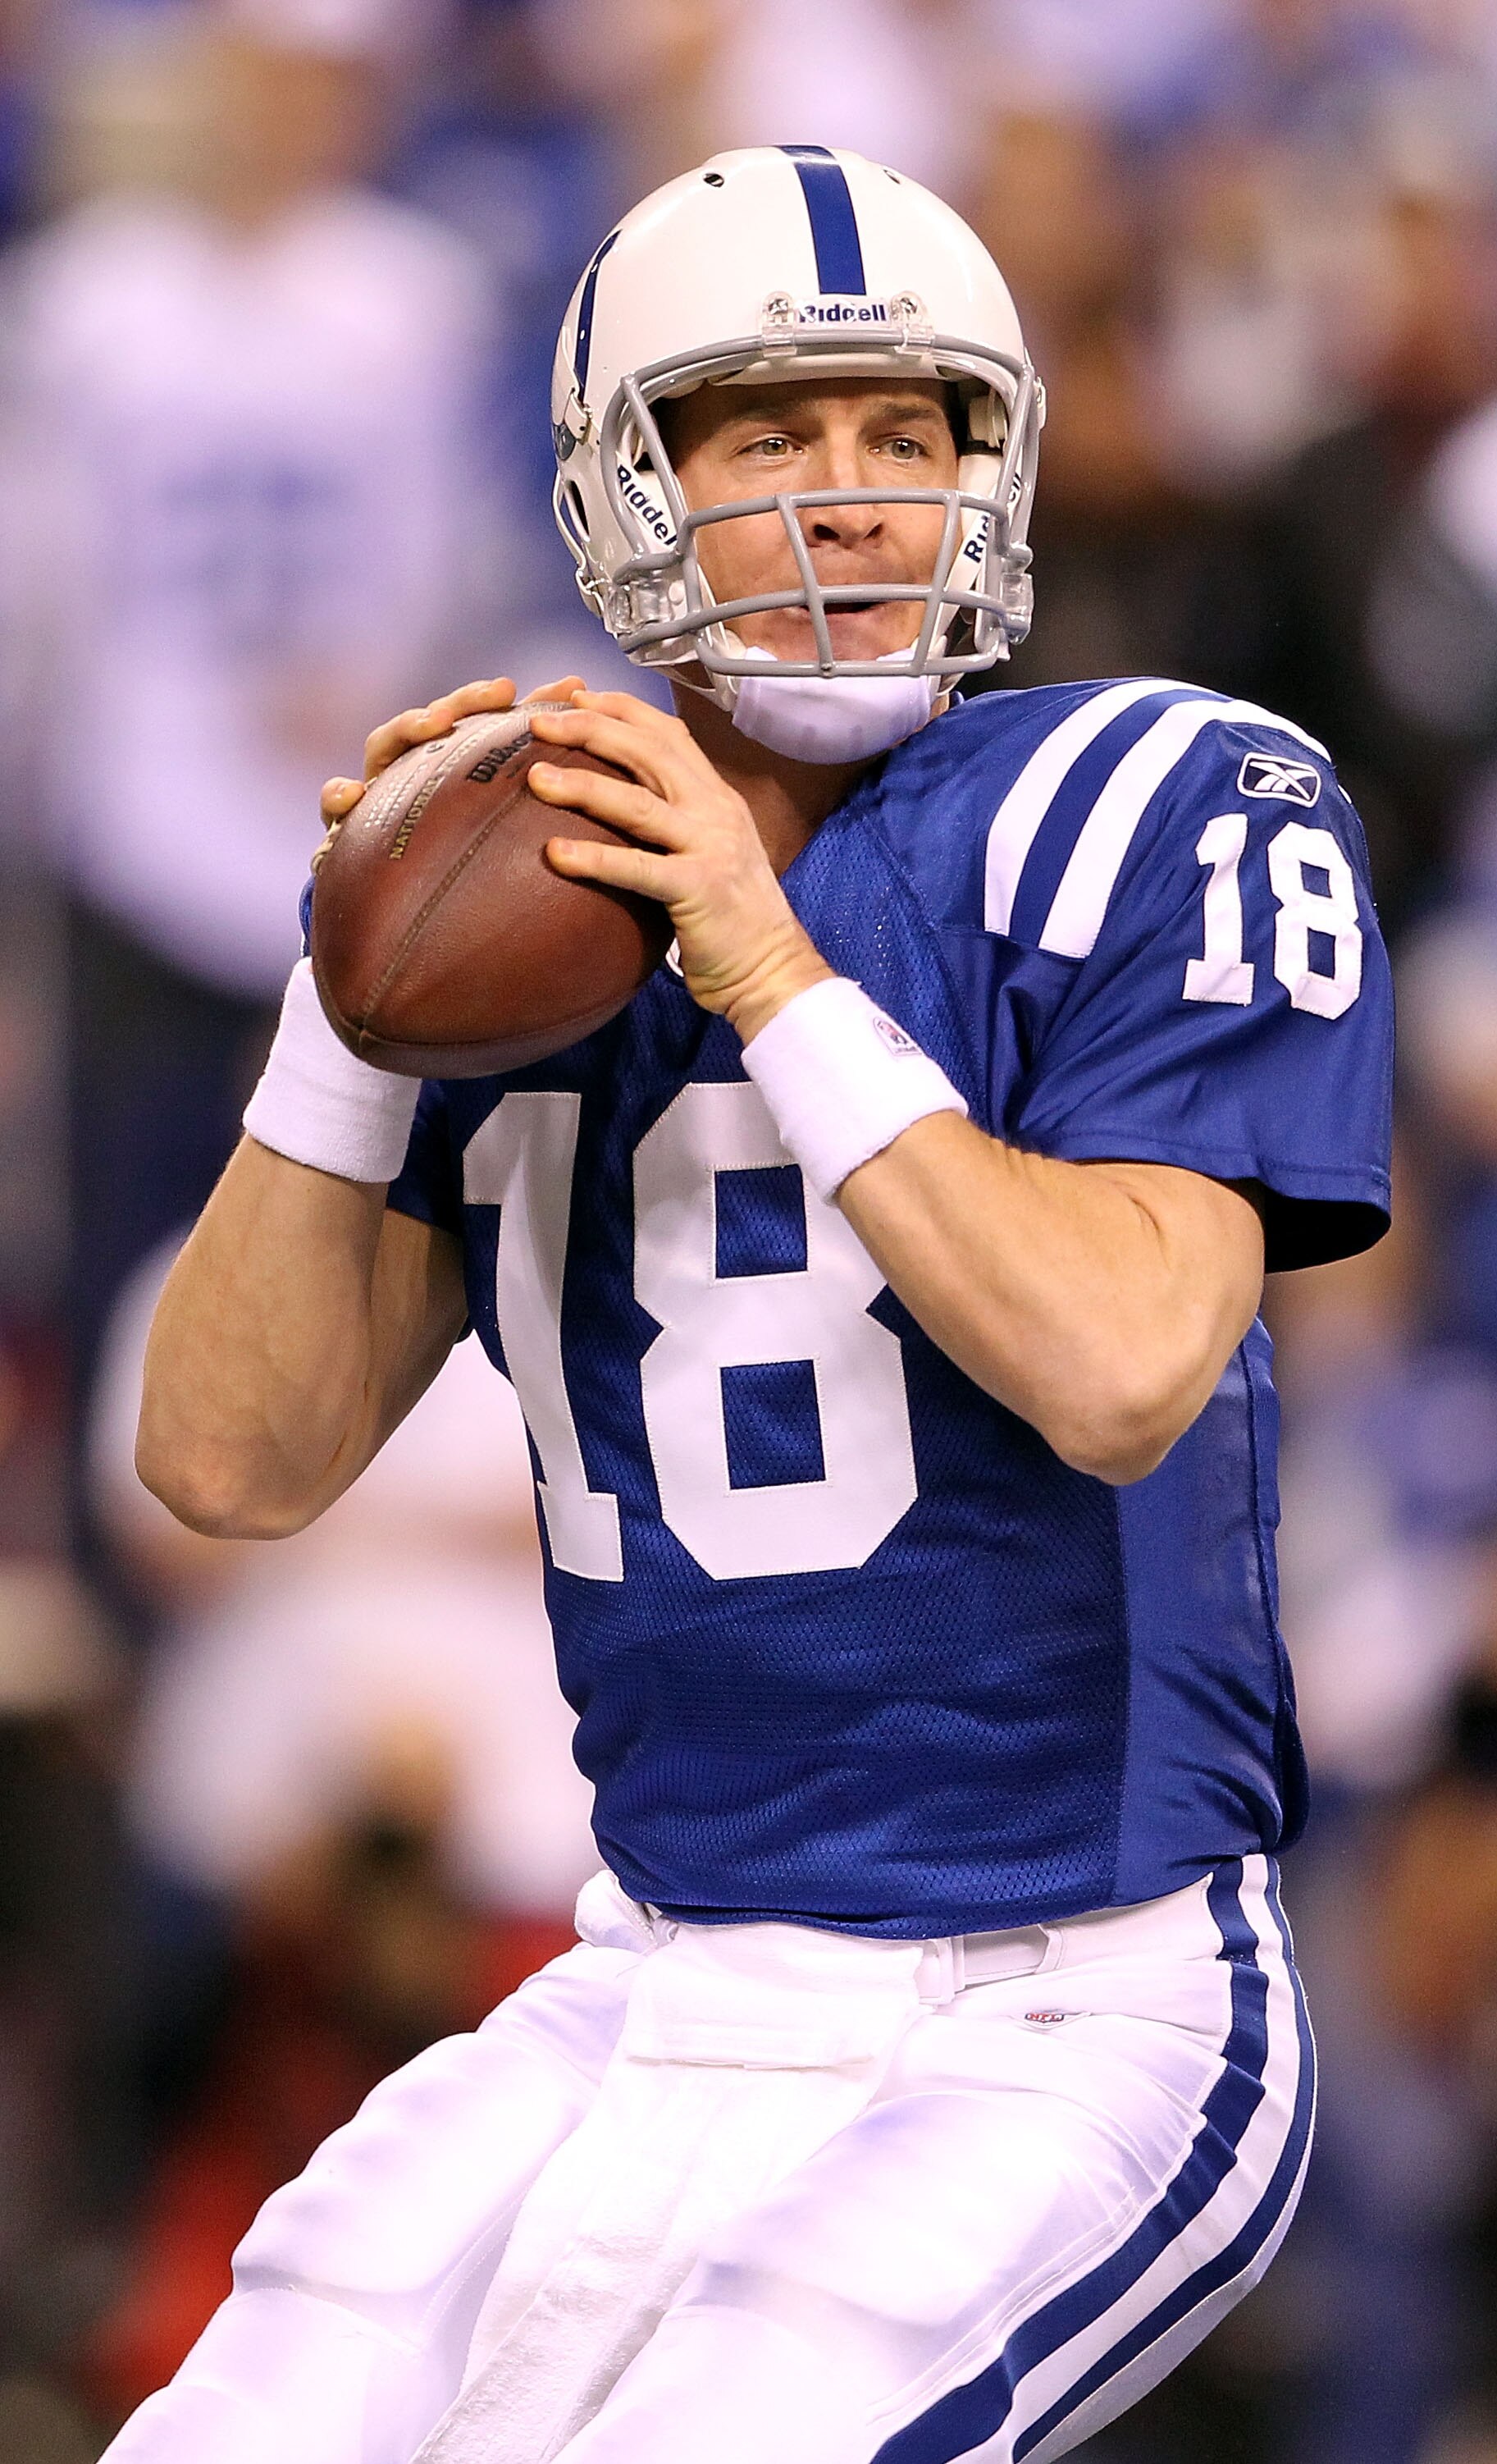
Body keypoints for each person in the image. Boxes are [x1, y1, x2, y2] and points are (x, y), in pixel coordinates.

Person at [110, 144, 1392, 2464]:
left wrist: (765, 963)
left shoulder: (1148, 794)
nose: (849, 501)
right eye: (767, 437)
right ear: (628, 489)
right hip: (655, 1973)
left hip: (1063, 1999)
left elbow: (1118, 1369)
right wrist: (344, 993)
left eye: (908, 435)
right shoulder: (544, 877)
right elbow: (227, 1458)